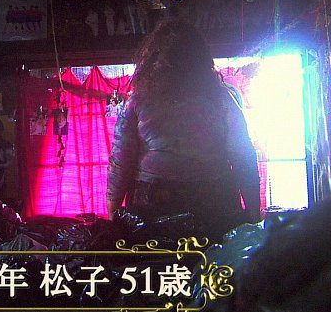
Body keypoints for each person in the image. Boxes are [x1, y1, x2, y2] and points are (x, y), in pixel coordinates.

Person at [106, 18, 261, 242]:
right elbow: (243, 156)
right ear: (200, 59)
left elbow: (121, 161)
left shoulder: (138, 101)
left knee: (157, 263)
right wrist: (254, 211)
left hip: (152, 206)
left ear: (153, 60)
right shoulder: (221, 98)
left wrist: (112, 212)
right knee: (212, 261)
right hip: (214, 203)